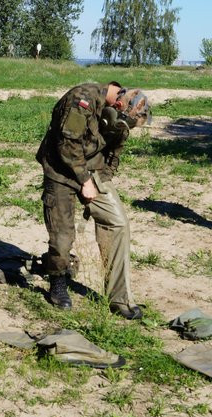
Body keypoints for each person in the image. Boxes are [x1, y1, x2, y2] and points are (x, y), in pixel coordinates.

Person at [35, 82, 150, 319]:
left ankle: (119, 298)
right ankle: (57, 283)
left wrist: (100, 181)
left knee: (118, 223)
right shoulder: (81, 99)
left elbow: (113, 156)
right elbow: (67, 144)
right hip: (60, 171)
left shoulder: (121, 116)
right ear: (118, 103)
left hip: (92, 172)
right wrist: (84, 181)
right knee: (62, 236)